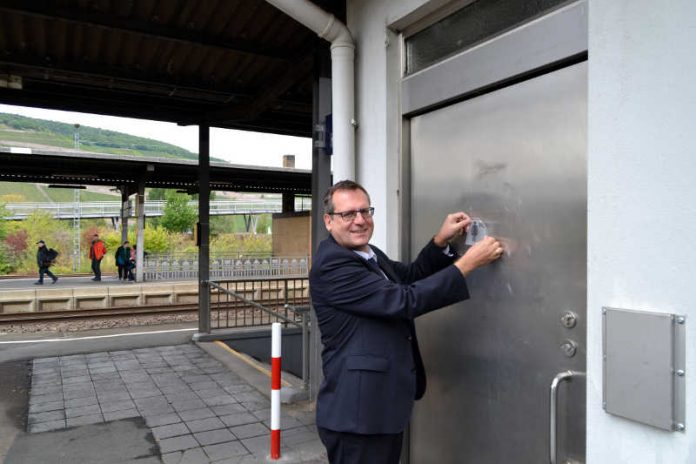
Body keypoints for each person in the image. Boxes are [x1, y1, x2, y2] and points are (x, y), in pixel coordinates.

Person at [310, 180, 504, 464]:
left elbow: (411, 275)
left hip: (378, 410)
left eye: (365, 211)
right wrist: (467, 264)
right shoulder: (333, 265)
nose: (360, 220)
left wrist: (440, 241)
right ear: (329, 221)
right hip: (357, 417)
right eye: (348, 214)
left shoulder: (367, 254)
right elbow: (404, 300)